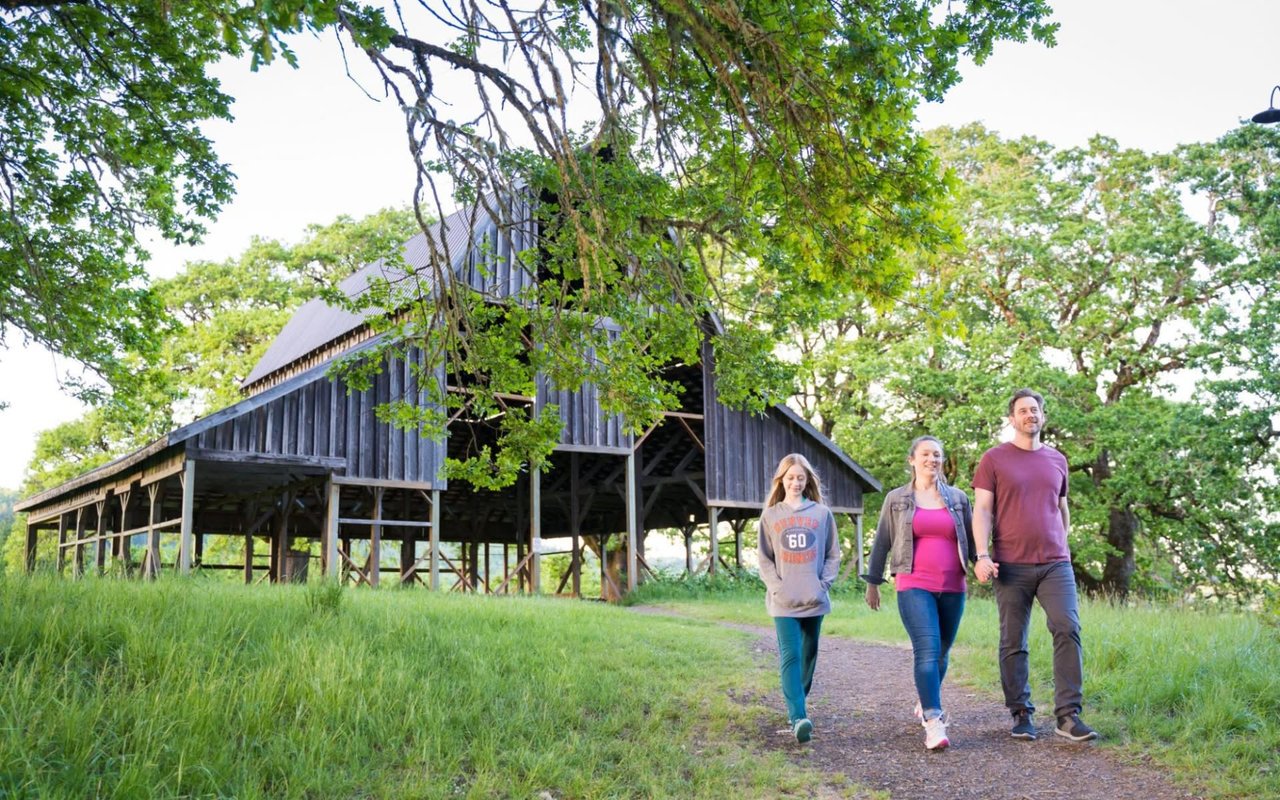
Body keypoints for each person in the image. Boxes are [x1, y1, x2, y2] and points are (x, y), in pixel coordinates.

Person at [972, 388, 1099, 742]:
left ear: (1043, 416)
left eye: (1035, 410)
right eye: (1023, 410)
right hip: (1010, 563)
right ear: (1012, 418)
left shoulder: (1058, 459)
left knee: (1067, 626)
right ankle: (1021, 713)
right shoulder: (994, 459)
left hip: (1056, 564)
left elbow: (1062, 509)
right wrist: (982, 555)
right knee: (1014, 638)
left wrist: (1061, 542)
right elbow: (982, 510)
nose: (1030, 415)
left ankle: (1068, 716)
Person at [863, 435, 975, 751]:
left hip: (954, 584)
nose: (932, 459)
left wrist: (985, 562)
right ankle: (933, 720)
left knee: (941, 653)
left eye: (937, 454)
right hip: (913, 583)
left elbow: (972, 539)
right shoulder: (896, 499)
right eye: (925, 454)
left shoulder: (958, 498)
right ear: (912, 460)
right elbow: (882, 541)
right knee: (927, 649)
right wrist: (873, 582)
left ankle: (926, 695)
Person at [757, 453, 841, 743]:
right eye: (790, 477)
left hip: (813, 599)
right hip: (783, 602)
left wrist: (823, 584)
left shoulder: (821, 514)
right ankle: (798, 717)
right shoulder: (770, 516)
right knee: (790, 656)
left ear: (807, 481)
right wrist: (776, 587)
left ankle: (797, 702)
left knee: (809, 654)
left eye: (800, 478)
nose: (795, 482)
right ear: (782, 480)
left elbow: (833, 554)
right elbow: (764, 558)